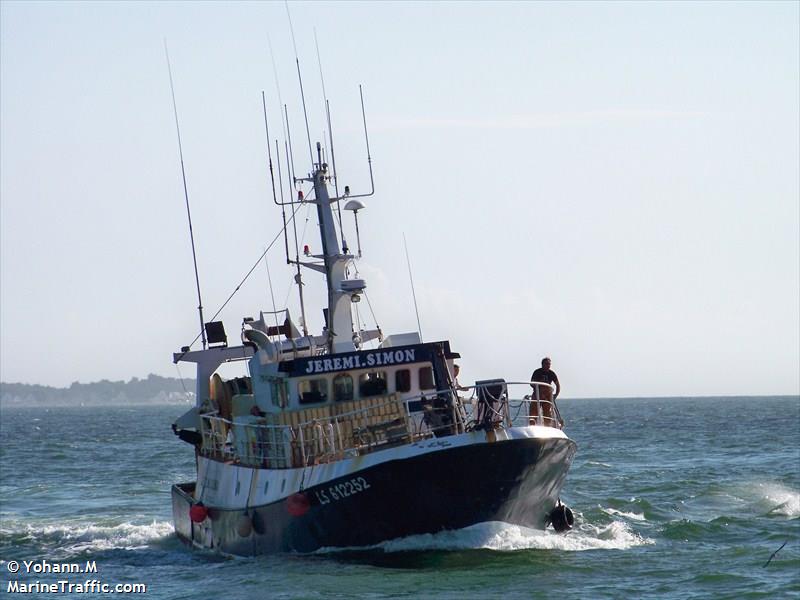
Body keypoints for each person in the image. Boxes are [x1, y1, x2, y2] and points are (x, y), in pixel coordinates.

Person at [530, 357, 561, 425]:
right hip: (537, 394)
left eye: (549, 364)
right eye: (546, 364)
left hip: (547, 395)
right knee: (533, 410)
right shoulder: (537, 372)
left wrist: (555, 395)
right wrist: (539, 389)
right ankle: (532, 424)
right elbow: (531, 383)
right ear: (542, 364)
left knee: (547, 412)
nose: (548, 366)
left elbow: (558, 385)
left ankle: (547, 425)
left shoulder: (551, 373)